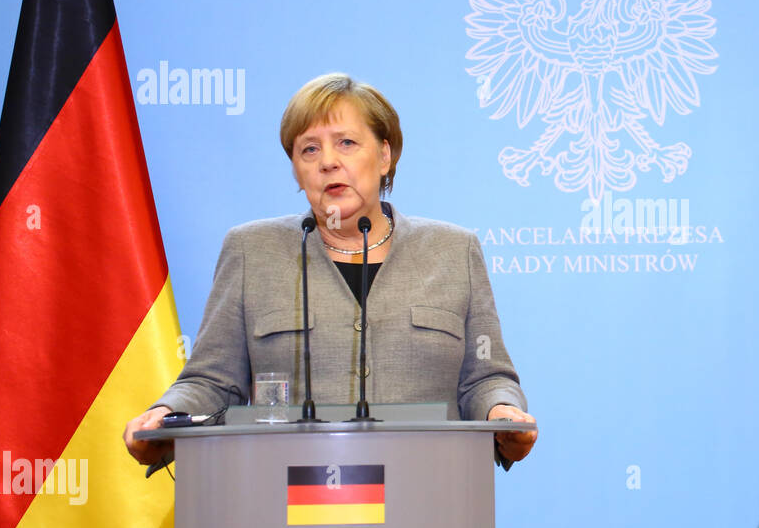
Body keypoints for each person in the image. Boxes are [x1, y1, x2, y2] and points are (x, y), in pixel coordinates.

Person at [123, 73, 536, 467]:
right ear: (297, 170)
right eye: (309, 149)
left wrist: (503, 410)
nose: (328, 162)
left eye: (347, 143)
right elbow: (214, 381)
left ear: (385, 155)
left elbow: (484, 378)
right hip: (286, 498)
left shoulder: (453, 250)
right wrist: (167, 412)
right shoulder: (252, 250)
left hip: (429, 495)